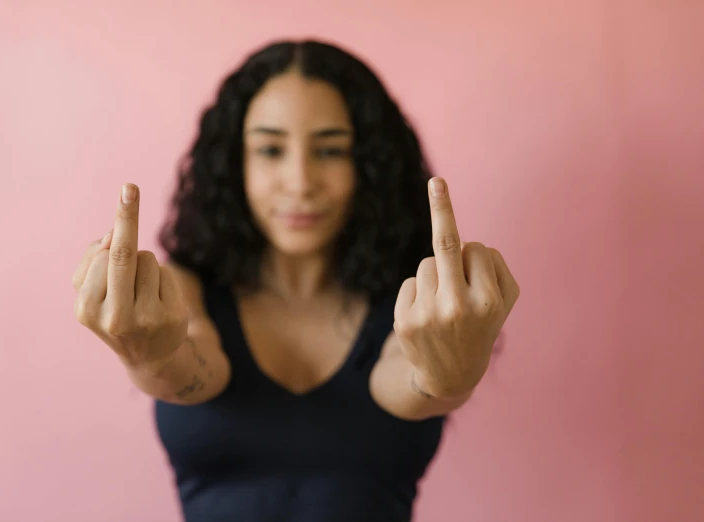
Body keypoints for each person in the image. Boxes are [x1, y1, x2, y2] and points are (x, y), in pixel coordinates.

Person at [71, 39, 519, 522]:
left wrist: (451, 374)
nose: (301, 180)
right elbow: (189, 365)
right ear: (233, 163)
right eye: (269, 149)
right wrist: (149, 355)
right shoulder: (189, 290)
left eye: (330, 150)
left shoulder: (412, 302)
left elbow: (410, 383)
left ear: (369, 165)